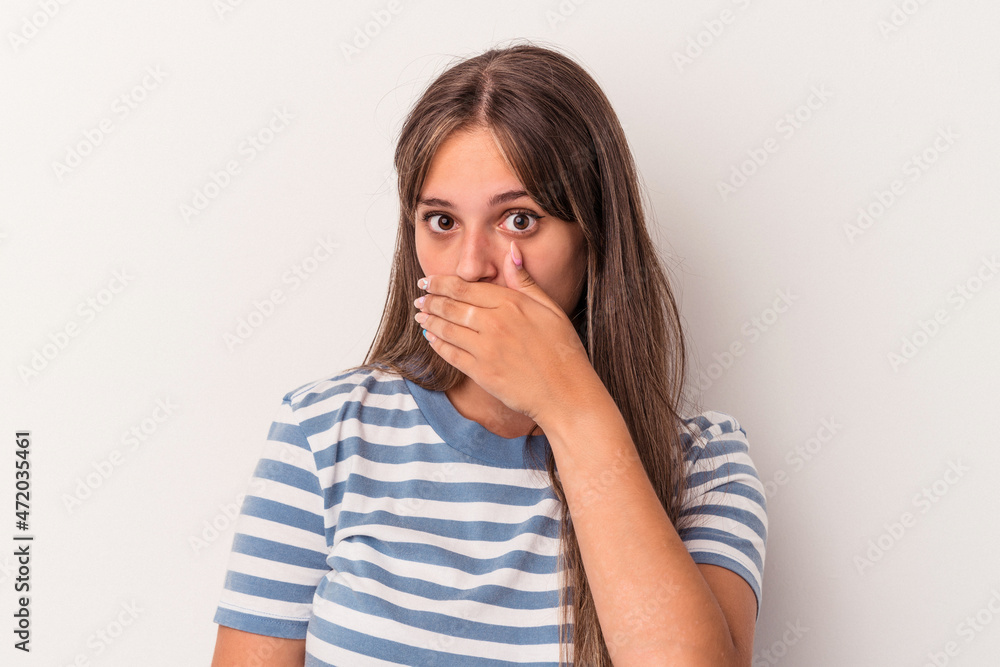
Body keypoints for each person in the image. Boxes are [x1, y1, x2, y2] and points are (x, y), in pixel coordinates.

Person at [211, 40, 767, 667]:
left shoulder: (704, 469)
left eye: (519, 219)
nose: (471, 266)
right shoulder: (324, 433)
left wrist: (572, 409)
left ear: (594, 238)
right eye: (442, 221)